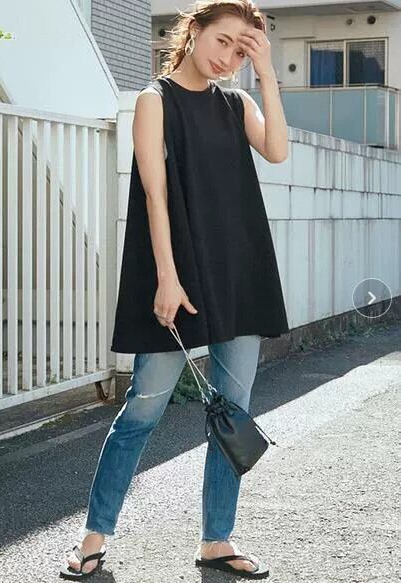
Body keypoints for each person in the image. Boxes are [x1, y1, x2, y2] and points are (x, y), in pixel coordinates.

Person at [60, 0, 289, 579]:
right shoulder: (154, 100)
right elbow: (155, 194)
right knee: (143, 407)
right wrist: (166, 276)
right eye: (223, 42)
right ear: (195, 31)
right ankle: (94, 535)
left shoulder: (237, 104)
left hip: (237, 272)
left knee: (232, 413)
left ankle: (217, 539)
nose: (228, 58)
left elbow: (278, 150)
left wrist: (266, 73)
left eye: (242, 51)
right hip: (178, 272)